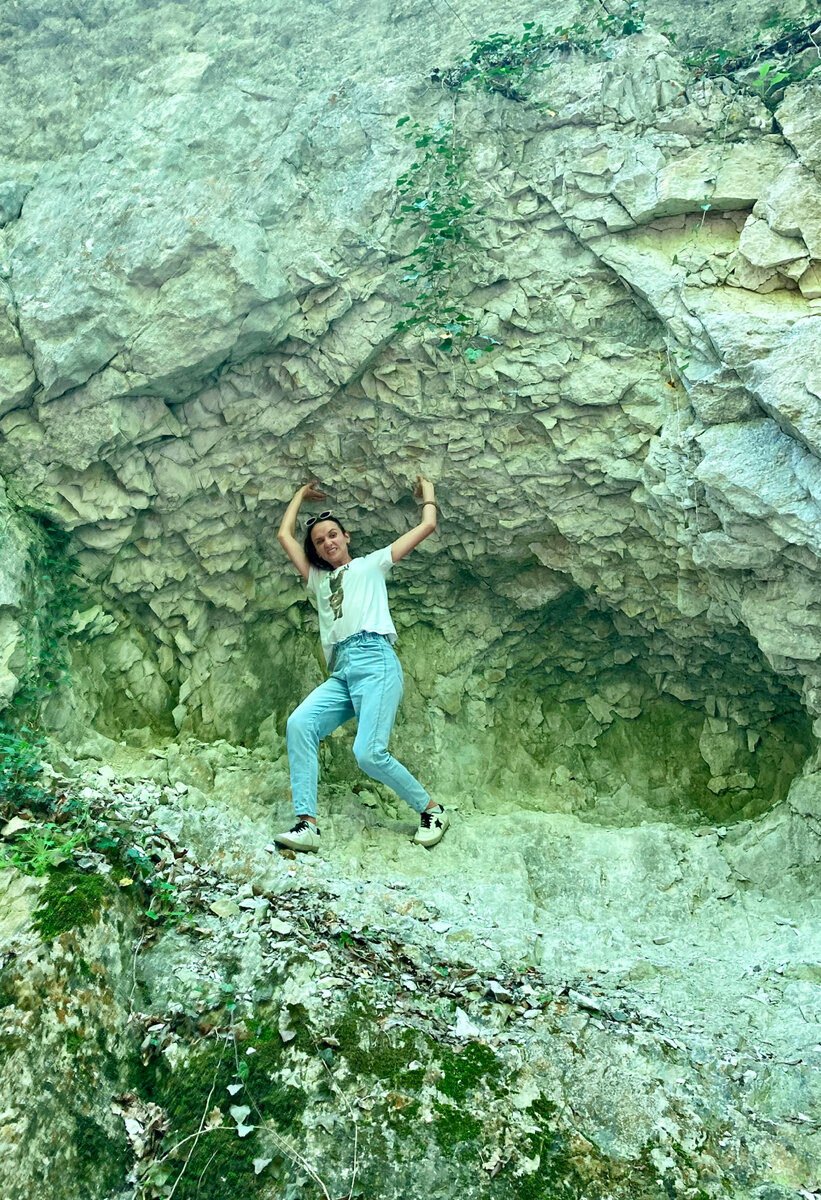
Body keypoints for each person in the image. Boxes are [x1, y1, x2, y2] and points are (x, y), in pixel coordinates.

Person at [270, 477, 449, 853]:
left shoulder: (372, 565)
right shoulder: (318, 580)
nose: (327, 543)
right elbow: (285, 535)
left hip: (376, 660)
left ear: (346, 536)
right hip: (342, 671)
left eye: (333, 535)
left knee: (368, 752)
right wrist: (299, 494)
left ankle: (432, 810)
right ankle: (307, 825)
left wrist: (428, 491)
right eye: (319, 541)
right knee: (300, 724)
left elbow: (427, 526)